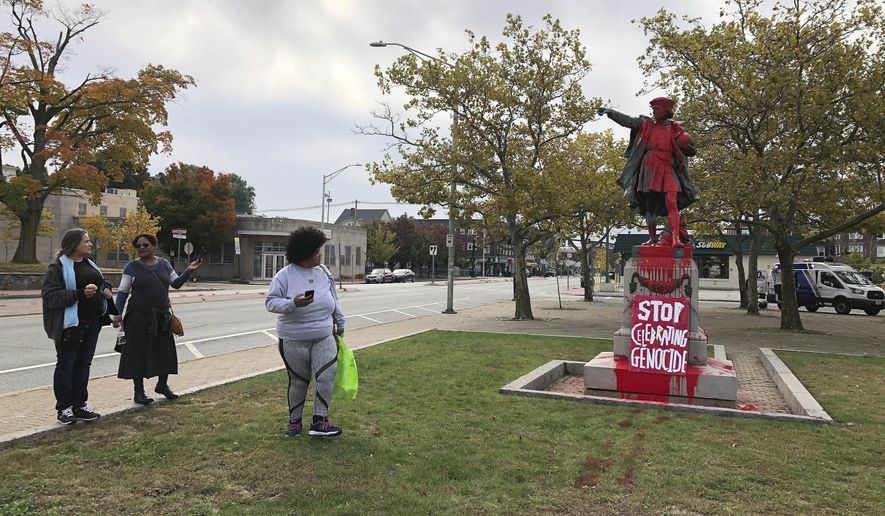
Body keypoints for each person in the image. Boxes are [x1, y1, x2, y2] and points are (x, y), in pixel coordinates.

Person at [265, 226, 345, 438]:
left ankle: (320, 421)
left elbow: (334, 299)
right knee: (299, 381)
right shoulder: (284, 276)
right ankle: (295, 422)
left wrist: (340, 320)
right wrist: (293, 303)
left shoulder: (324, 272)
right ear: (306, 253)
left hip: (323, 335)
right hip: (293, 339)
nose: (321, 254)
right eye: (318, 251)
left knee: (326, 375)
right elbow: (271, 303)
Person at [112, 233, 201, 404]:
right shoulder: (131, 267)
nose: (141, 248)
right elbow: (123, 292)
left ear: (153, 246)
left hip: (161, 316)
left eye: (145, 245)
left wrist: (189, 271)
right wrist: (117, 314)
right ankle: (139, 392)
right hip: (138, 316)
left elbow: (176, 283)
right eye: (138, 246)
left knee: (165, 352)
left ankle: (162, 385)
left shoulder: (165, 264)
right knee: (137, 353)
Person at [598, 97, 699, 247]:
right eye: (653, 109)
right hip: (650, 168)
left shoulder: (675, 129)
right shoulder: (646, 124)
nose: (653, 112)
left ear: (666, 111)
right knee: (650, 207)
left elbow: (689, 148)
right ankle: (652, 238)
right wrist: (610, 112)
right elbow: (627, 121)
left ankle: (676, 238)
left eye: (657, 109)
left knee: (672, 203)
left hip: (668, 168)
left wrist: (691, 148)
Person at [41, 228, 115, 424]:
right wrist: (79, 294)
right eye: (86, 241)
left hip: (93, 324)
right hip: (71, 326)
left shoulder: (90, 263)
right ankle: (64, 408)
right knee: (67, 366)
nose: (90, 244)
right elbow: (50, 297)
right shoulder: (58, 268)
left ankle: (80, 405)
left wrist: (105, 289)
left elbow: (100, 281)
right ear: (74, 245)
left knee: (83, 364)